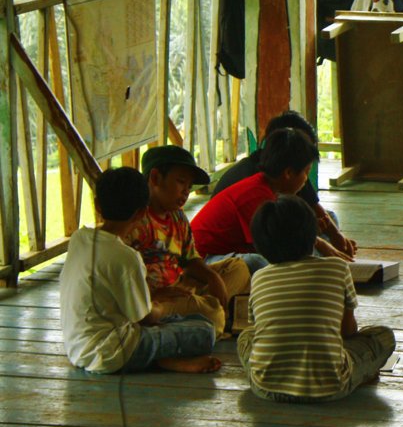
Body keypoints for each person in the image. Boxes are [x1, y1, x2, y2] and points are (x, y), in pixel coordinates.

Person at [60, 167, 220, 374]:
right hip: (112, 352)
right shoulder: (126, 256)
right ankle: (163, 361)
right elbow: (147, 318)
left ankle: (162, 359)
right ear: (143, 212)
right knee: (204, 330)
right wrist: (161, 306)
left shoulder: (79, 239)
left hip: (77, 347)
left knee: (192, 322)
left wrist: (155, 299)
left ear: (98, 205)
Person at [237, 195, 395, 403]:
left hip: (266, 387)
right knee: (383, 336)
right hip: (332, 386)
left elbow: (258, 329)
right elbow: (348, 332)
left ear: (261, 246)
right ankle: (359, 374)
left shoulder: (259, 277)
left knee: (245, 337)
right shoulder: (337, 267)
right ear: (314, 237)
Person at [126, 145, 250, 338]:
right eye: (181, 182)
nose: (186, 192)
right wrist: (151, 295)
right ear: (155, 178)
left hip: (181, 285)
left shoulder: (177, 216)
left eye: (189, 186)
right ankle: (212, 315)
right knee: (213, 314)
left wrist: (212, 277)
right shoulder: (135, 221)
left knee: (239, 268)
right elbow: (123, 277)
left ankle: (203, 310)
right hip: (155, 300)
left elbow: (190, 259)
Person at [213, 110, 357, 258]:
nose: (306, 178)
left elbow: (312, 208)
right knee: (257, 261)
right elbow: (269, 242)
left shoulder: (278, 175)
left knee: (326, 217)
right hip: (219, 257)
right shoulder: (254, 187)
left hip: (261, 239)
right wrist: (317, 241)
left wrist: (334, 235)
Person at [191, 127, 325, 274]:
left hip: (231, 253)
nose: (306, 180)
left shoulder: (268, 189)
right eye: (306, 172)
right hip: (203, 262)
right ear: (288, 173)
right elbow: (272, 248)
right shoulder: (256, 196)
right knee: (258, 262)